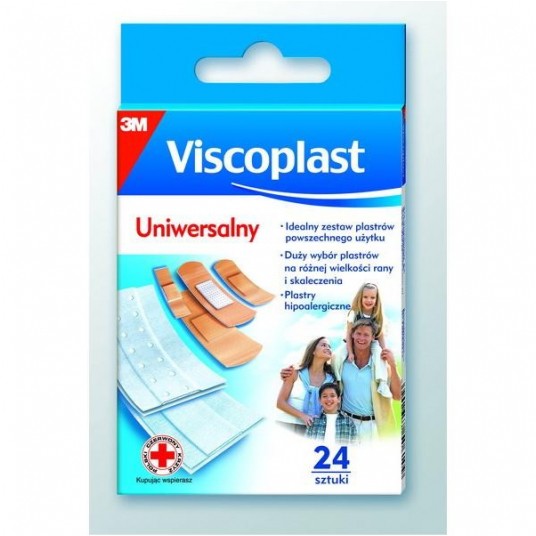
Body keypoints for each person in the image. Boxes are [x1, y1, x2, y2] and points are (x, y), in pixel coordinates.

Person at [281, 318, 402, 441]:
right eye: (358, 333)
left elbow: (398, 396)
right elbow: (317, 368)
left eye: (366, 335)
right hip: (345, 423)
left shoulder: (381, 365)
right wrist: (289, 373)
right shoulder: (340, 361)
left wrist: (393, 365)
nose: (361, 338)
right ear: (352, 335)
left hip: (372, 426)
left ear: (373, 337)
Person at [276, 336, 336, 433]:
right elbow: (280, 403)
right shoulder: (294, 372)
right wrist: (303, 416)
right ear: (313, 351)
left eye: (329, 346)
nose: (328, 348)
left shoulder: (331, 380)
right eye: (323, 345)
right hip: (286, 424)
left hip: (313, 429)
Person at [346, 282, 391, 398]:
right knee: (338, 356)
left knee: (379, 354)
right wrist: (350, 352)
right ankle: (337, 380)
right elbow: (348, 335)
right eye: (365, 297)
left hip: (372, 342)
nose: (369, 300)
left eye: (372, 297)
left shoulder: (378, 315)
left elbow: (380, 335)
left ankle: (382, 383)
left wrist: (384, 350)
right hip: (352, 342)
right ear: (360, 298)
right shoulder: (354, 313)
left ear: (377, 299)